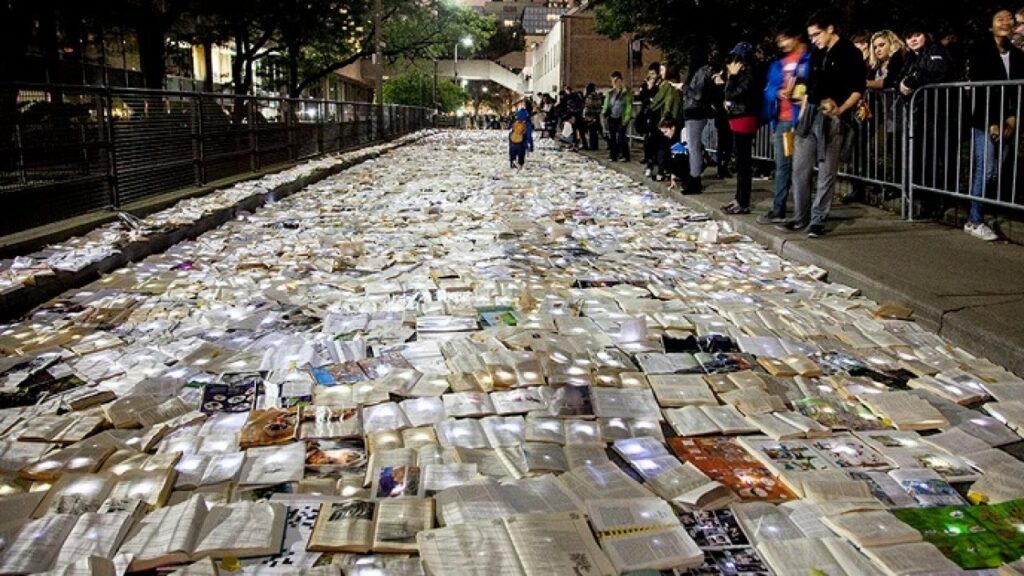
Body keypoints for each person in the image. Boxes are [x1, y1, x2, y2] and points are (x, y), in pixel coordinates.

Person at [780, 8, 866, 238]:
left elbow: (858, 88)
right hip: (811, 113)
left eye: (817, 34)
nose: (814, 40)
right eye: (811, 36)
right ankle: (801, 216)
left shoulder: (850, 53)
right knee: (800, 168)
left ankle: (818, 219)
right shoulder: (817, 53)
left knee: (827, 170)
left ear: (830, 29)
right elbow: (809, 87)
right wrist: (801, 117)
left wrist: (841, 110)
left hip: (833, 115)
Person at [965, 7, 1024, 241]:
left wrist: (1013, 117)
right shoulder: (980, 50)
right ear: (991, 24)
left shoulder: (1018, 55)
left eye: (1009, 19)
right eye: (1000, 19)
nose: (1006, 22)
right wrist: (991, 121)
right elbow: (981, 89)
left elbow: (1017, 90)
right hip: (984, 120)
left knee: (997, 170)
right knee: (986, 170)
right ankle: (974, 219)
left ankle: (981, 214)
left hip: (1010, 119)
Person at [758, 24, 811, 224]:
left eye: (784, 39)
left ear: (796, 36)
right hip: (782, 120)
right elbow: (769, 89)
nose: (781, 44)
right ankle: (778, 208)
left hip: (803, 120)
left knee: (802, 168)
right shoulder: (777, 65)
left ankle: (802, 212)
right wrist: (778, 93)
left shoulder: (809, 60)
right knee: (783, 166)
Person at [899, 20, 954, 196]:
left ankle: (945, 196)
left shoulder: (935, 50)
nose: (913, 39)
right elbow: (899, 79)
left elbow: (937, 73)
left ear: (925, 35)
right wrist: (902, 84)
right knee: (924, 155)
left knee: (942, 156)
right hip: (921, 114)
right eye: (909, 37)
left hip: (941, 112)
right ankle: (926, 195)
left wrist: (912, 81)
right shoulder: (910, 57)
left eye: (917, 35)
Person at [721, 42, 763, 214]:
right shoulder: (745, 75)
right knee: (740, 162)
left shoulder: (749, 76)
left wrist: (731, 77)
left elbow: (731, 94)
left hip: (744, 119)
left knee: (743, 163)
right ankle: (739, 198)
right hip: (739, 118)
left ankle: (743, 201)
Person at [682, 48, 717, 195]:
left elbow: (698, 95)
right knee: (693, 147)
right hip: (694, 112)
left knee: (693, 147)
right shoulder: (702, 72)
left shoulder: (702, 72)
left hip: (696, 113)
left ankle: (694, 180)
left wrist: (684, 88)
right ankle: (694, 177)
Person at [649, 63, 684, 181]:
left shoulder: (666, 86)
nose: (661, 73)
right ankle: (677, 171)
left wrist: (651, 90)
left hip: (667, 121)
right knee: (676, 147)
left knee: (662, 147)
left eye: (663, 70)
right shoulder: (677, 85)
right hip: (677, 121)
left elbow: (655, 103)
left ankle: (662, 172)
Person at [603, 71, 634, 162]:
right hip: (612, 117)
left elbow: (629, 105)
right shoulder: (611, 93)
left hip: (622, 117)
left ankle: (625, 155)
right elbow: (607, 103)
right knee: (612, 137)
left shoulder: (626, 92)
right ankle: (613, 155)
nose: (614, 82)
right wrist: (605, 112)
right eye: (612, 80)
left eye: (616, 80)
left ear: (620, 80)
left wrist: (627, 117)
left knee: (621, 137)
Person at [637, 63, 663, 167]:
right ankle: (648, 157)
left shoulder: (659, 85)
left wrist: (651, 89)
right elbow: (642, 97)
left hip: (656, 114)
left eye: (653, 73)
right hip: (646, 113)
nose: (651, 76)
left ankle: (654, 158)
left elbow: (655, 99)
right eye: (650, 73)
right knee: (647, 137)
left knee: (654, 137)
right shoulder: (645, 84)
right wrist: (647, 89)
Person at [508, 102, 534, 170]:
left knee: (512, 156)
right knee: (521, 157)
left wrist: (510, 144)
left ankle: (512, 164)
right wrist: (531, 146)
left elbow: (511, 133)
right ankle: (520, 166)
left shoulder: (515, 123)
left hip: (513, 142)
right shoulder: (527, 124)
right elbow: (529, 136)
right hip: (521, 143)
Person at [583, 83, 604, 151]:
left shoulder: (590, 96)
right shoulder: (597, 96)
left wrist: (587, 115)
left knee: (592, 131)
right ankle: (595, 146)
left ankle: (592, 146)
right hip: (596, 115)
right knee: (596, 131)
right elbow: (599, 105)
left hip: (591, 115)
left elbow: (588, 106)